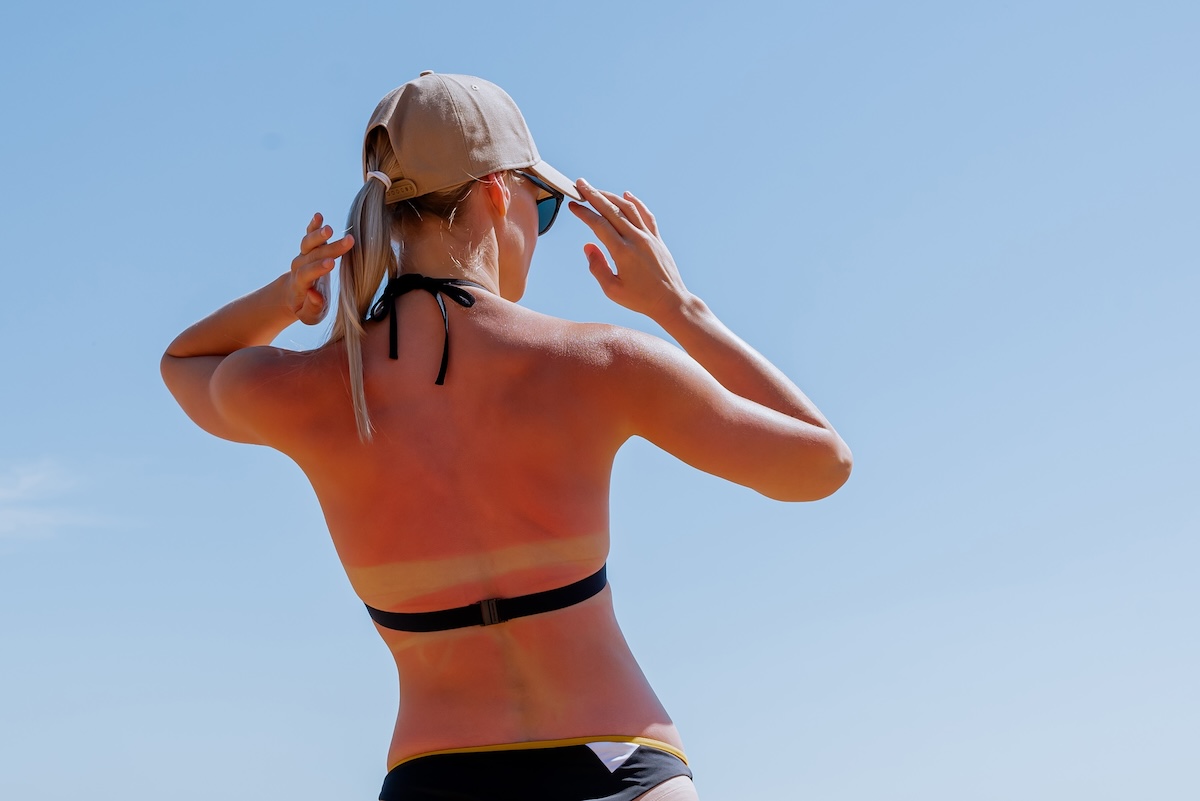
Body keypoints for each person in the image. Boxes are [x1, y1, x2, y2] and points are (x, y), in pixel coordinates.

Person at [161, 72, 851, 801]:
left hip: (435, 775)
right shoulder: (600, 361)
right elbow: (821, 463)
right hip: (616, 760)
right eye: (541, 204)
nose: (539, 226)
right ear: (497, 192)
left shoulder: (311, 390)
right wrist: (680, 308)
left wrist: (286, 296)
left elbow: (183, 364)